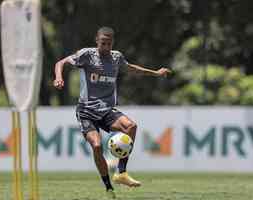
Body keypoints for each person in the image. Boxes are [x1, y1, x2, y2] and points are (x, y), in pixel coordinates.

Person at [53, 26, 170, 198]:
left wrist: (156, 73)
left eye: (108, 44)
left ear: (112, 43)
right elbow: (60, 63)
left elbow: (132, 68)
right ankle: (108, 187)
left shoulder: (116, 57)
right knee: (97, 145)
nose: (105, 47)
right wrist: (58, 77)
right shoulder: (87, 55)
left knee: (131, 126)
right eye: (102, 43)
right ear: (97, 41)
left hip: (107, 110)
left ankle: (121, 172)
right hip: (87, 111)